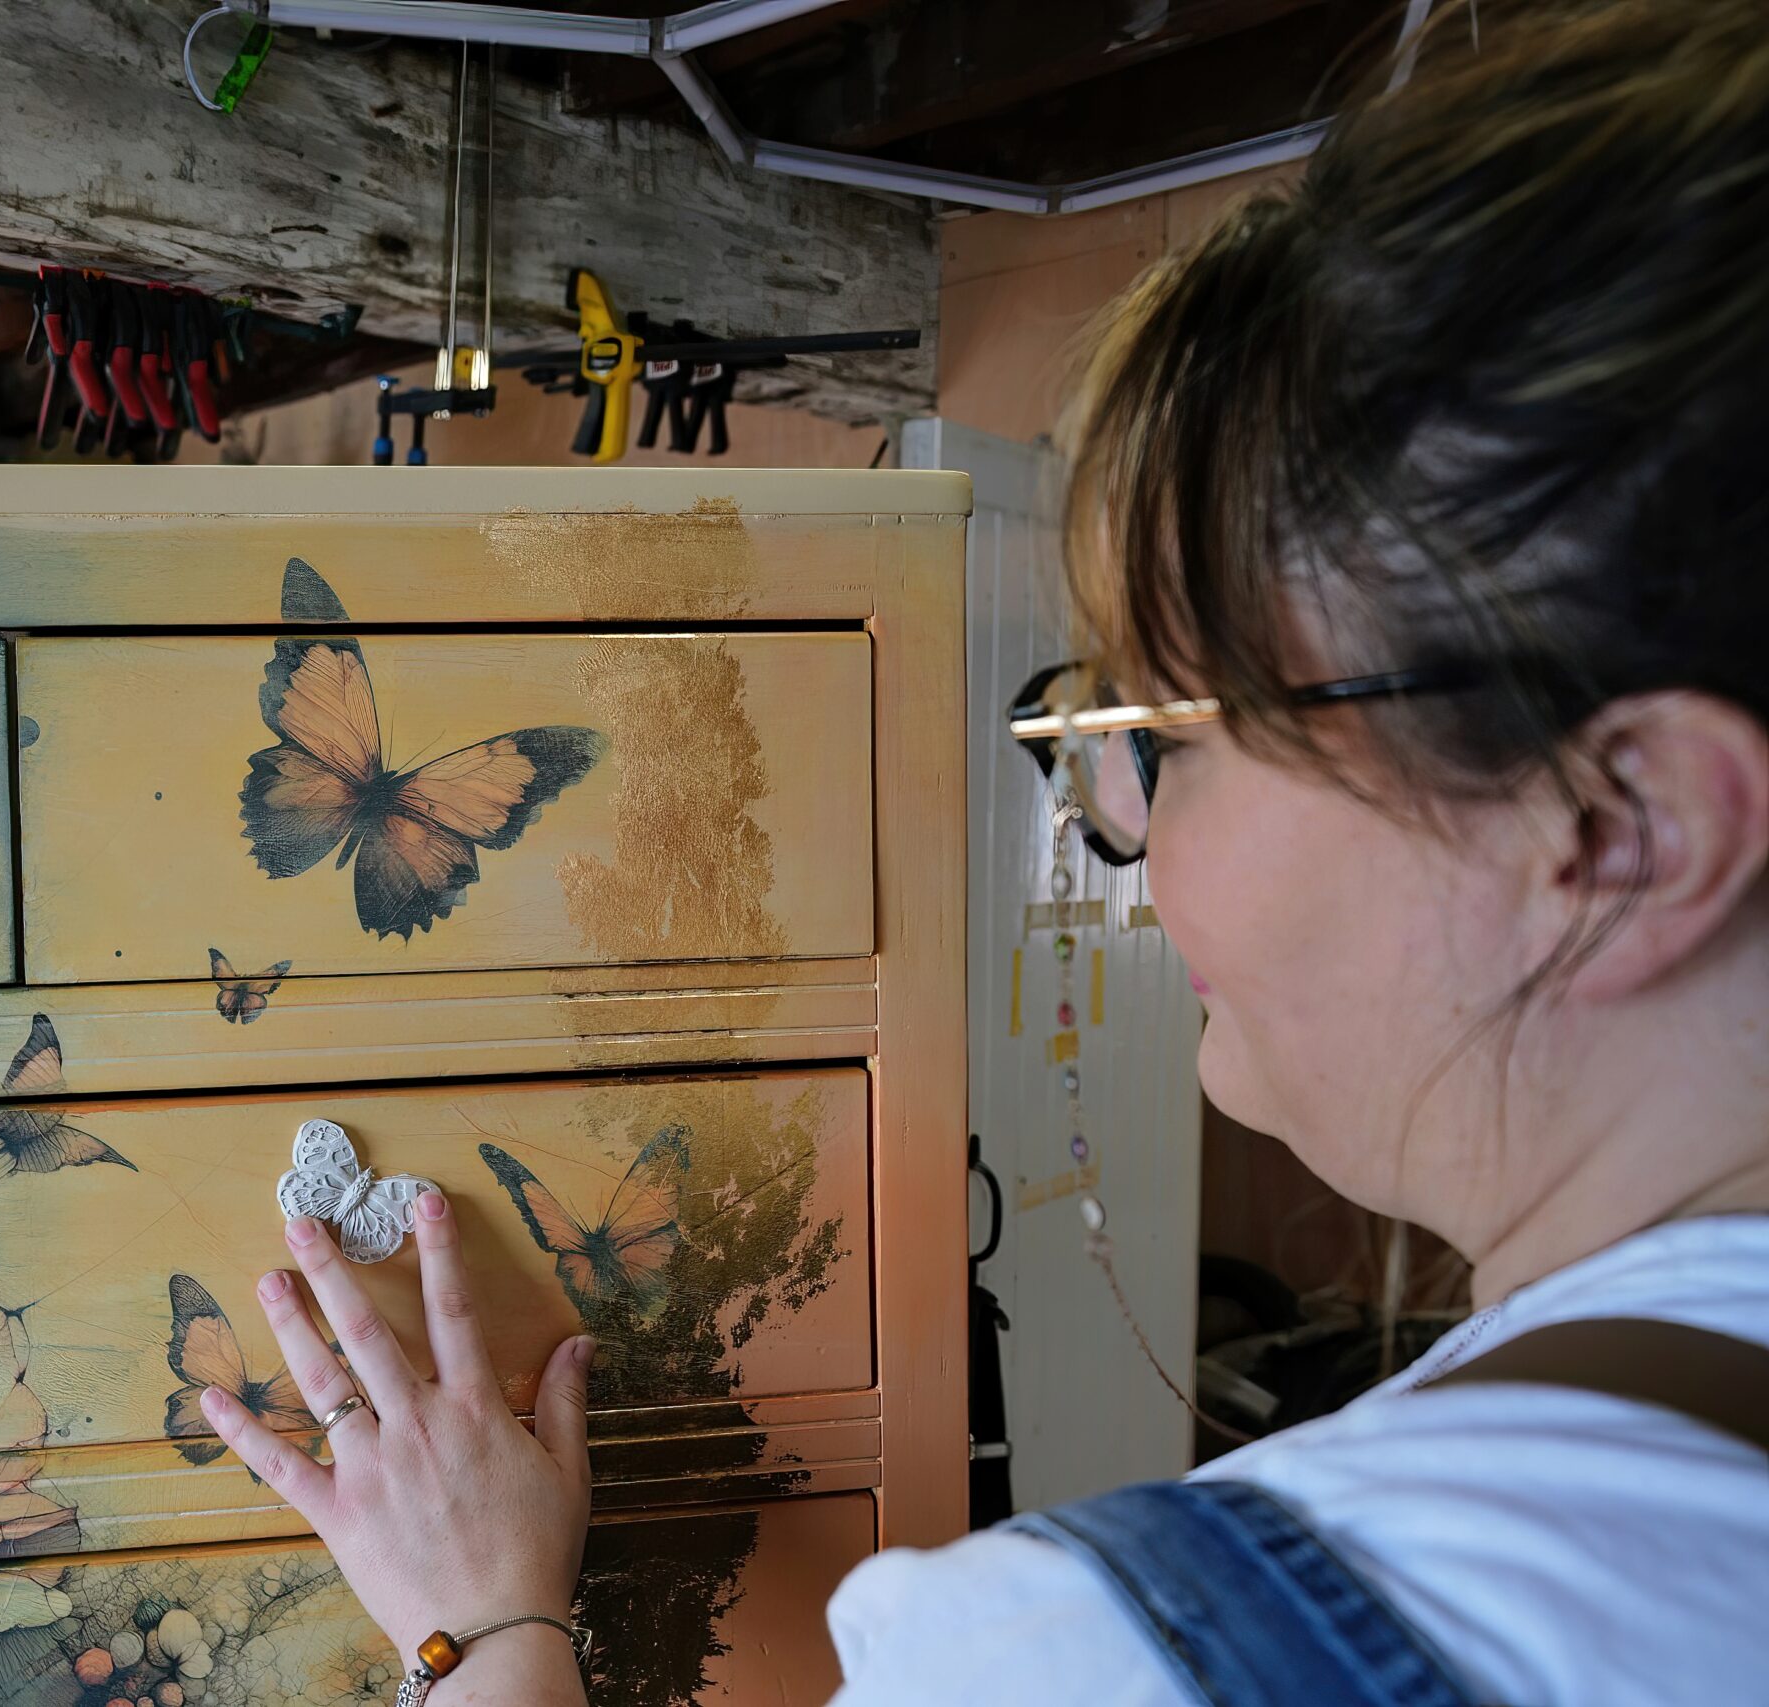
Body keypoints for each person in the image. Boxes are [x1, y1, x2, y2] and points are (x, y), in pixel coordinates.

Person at [199, 3, 1769, 1700]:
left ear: (1617, 834)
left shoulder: (1117, 1659)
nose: (1115, 827)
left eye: (1170, 737)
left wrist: (482, 1625)